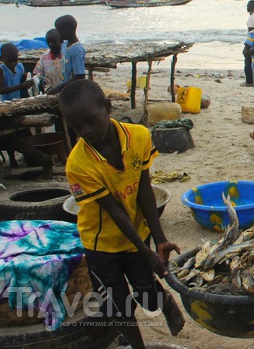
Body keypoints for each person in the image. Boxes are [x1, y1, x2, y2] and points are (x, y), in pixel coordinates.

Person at [59, 79, 184, 347]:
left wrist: (159, 239)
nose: (85, 131)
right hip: (102, 246)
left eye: (90, 121)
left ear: (107, 107)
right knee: (119, 306)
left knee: (145, 290)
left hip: (137, 233)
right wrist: (145, 250)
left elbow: (144, 190)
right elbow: (114, 211)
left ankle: (163, 301)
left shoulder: (138, 136)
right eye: (76, 127)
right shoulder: (78, 164)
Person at [47, 14, 85, 95]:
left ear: (67, 32)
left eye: (59, 32)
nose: (57, 34)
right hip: (65, 87)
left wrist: (58, 88)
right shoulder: (65, 44)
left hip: (74, 91)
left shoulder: (76, 50)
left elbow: (80, 76)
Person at [34, 29, 64, 93]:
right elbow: (37, 75)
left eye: (53, 42)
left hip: (66, 89)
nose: (51, 44)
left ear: (61, 41)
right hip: (50, 91)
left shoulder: (66, 56)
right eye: (49, 42)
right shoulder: (44, 58)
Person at [242, 0, 254, 87]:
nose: (247, 8)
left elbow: (251, 32)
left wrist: (247, 45)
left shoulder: (252, 17)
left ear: (253, 6)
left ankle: (249, 81)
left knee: (248, 61)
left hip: (253, 42)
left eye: (249, 6)